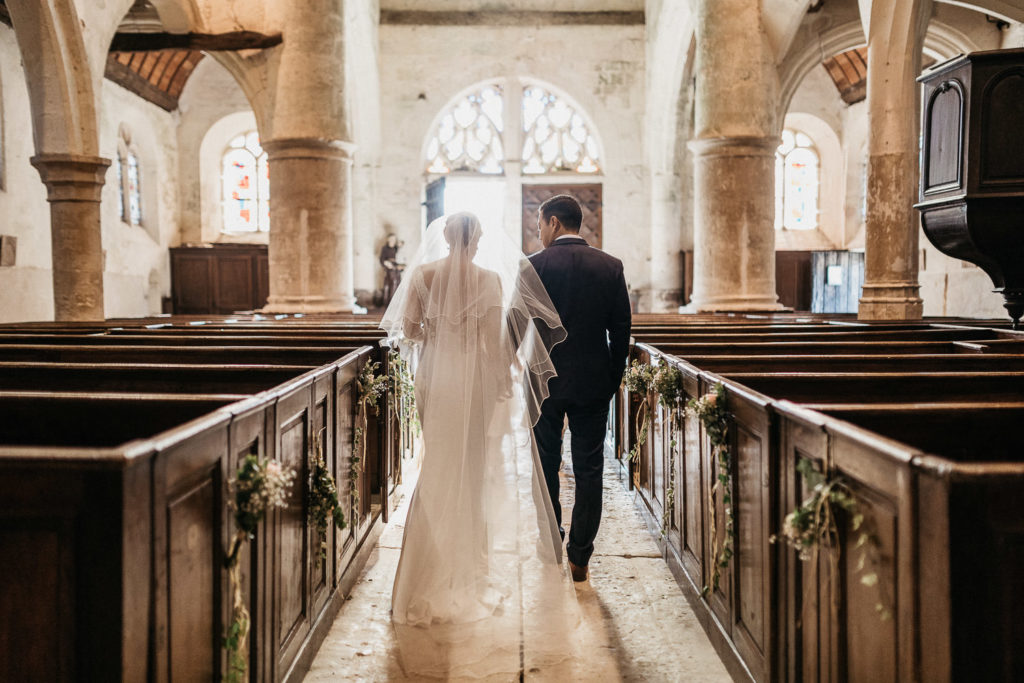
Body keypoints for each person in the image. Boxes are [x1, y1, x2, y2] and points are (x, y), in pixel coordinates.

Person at [380, 212, 588, 679]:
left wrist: (439, 336)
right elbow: (497, 347)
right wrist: (499, 386)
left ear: (447, 238)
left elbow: (409, 332)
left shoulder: (422, 275)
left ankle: (421, 577)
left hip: (435, 378)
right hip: (472, 381)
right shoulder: (491, 279)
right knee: (471, 469)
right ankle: (466, 573)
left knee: (437, 466)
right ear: (476, 242)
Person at [528, 194, 632, 583]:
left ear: (554, 222)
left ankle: (552, 542)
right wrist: (613, 377)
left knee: (545, 464)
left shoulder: (534, 266)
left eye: (539, 224)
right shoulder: (610, 266)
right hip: (593, 381)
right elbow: (621, 329)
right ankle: (580, 557)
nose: (538, 233)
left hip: (545, 381)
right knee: (590, 469)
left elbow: (517, 326)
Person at [379, 233, 404, 306]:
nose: (393, 240)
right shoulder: (385, 248)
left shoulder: (396, 248)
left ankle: (396, 303)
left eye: (394, 239)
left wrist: (400, 266)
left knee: (398, 284)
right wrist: (386, 263)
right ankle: (390, 303)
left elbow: (400, 258)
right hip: (389, 269)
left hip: (397, 269)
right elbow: (382, 260)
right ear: (388, 239)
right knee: (392, 284)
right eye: (391, 239)